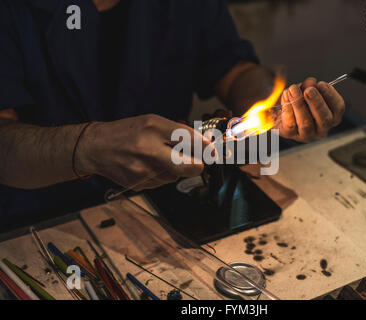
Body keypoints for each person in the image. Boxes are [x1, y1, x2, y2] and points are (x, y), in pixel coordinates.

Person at [0, 0, 345, 231]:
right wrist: (86, 146)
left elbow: (235, 71)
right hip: (43, 223)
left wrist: (280, 109)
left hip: (166, 207)